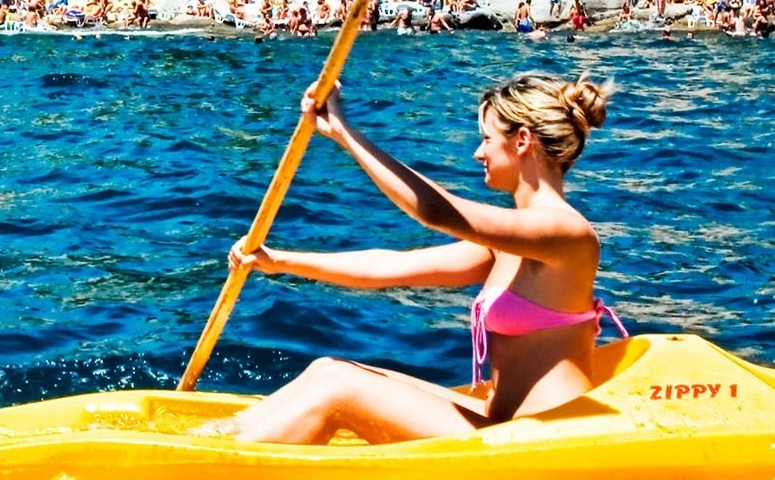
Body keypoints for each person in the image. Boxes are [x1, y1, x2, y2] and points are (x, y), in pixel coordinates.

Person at [217, 73, 619, 445]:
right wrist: (278, 260)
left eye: (486, 139)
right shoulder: (510, 241)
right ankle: (205, 441)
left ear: (522, 140)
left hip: (547, 439)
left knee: (339, 385)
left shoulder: (568, 235)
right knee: (327, 368)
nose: (478, 153)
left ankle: (215, 469)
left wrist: (345, 132)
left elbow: (435, 210)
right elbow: (387, 268)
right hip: (502, 423)